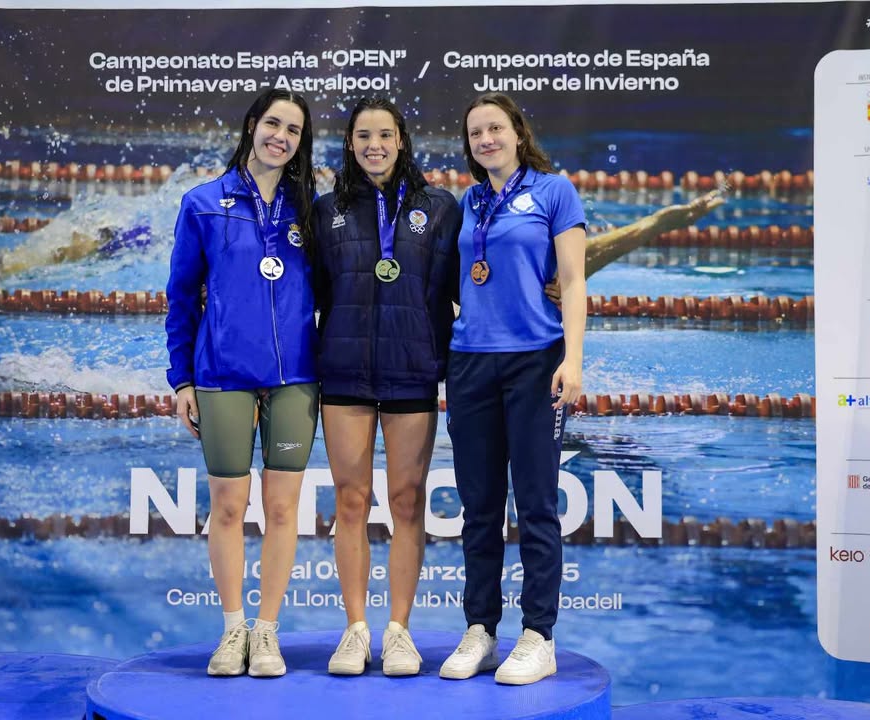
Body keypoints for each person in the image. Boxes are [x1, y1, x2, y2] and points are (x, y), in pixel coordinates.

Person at [165, 89, 319, 678]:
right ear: (252, 126)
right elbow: (181, 298)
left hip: (297, 378)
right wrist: (182, 379)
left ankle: (268, 631)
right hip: (223, 374)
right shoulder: (203, 204)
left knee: (283, 510)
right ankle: (232, 630)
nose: (281, 136)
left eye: (294, 130)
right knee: (228, 506)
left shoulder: (310, 208)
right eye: (272, 124)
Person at [439, 93, 586, 686]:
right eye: (475, 133)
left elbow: (572, 282)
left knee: (535, 503)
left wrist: (572, 360)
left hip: (534, 362)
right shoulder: (467, 202)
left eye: (495, 128)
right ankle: (480, 629)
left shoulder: (554, 192)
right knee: (477, 507)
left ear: (518, 133)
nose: (486, 139)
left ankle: (538, 635)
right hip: (471, 364)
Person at [312, 97, 462, 677]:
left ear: (402, 141)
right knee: (350, 501)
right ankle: (355, 630)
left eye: (385, 135)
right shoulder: (327, 212)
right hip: (345, 372)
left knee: (407, 502)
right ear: (350, 144)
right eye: (363, 135)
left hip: (412, 371)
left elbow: (465, 285)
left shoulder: (439, 208)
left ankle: (398, 631)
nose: (374, 144)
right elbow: (314, 294)